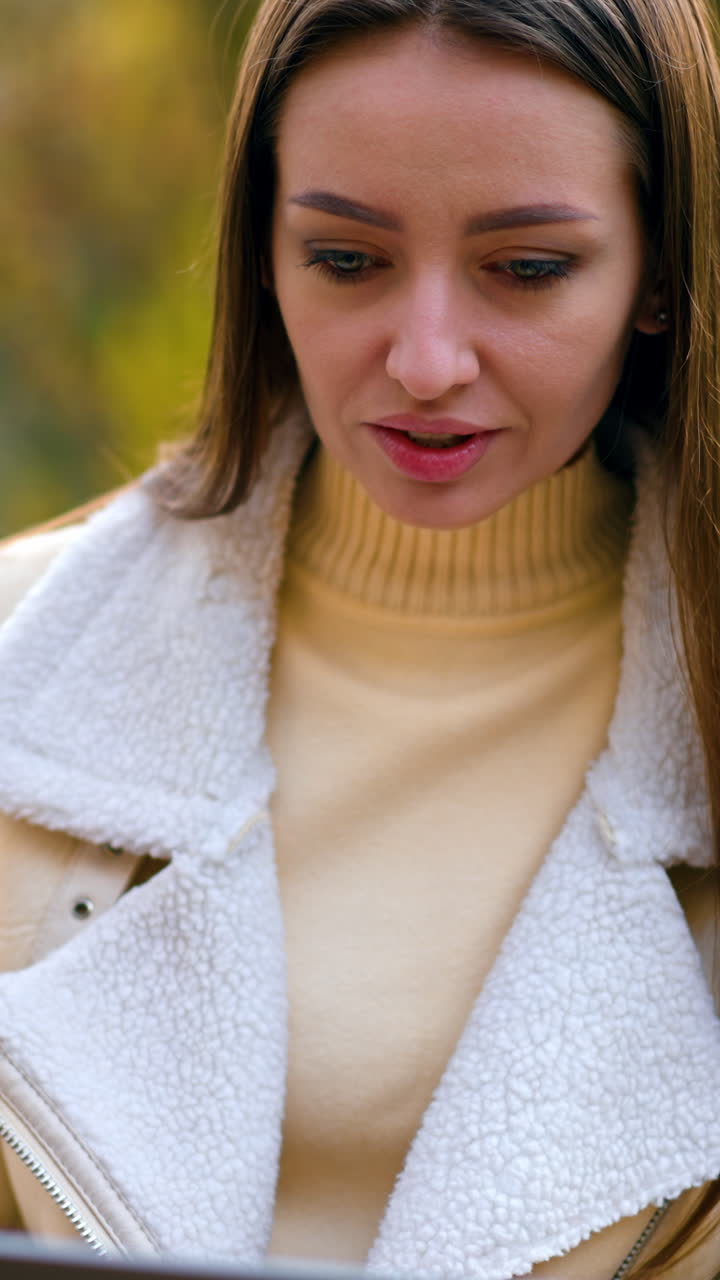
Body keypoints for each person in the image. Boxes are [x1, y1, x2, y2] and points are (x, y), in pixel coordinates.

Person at [0, 0, 720, 1275]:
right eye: (346, 258)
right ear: (261, 254)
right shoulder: (23, 653)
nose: (427, 358)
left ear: (662, 273)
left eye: (528, 267)